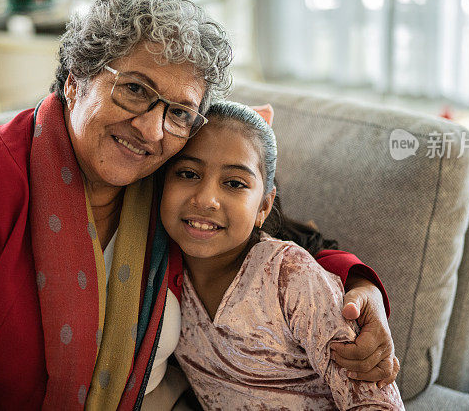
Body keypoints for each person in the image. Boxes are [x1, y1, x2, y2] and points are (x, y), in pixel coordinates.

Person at [0, 0, 398, 410]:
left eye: (178, 111)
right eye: (136, 89)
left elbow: (270, 238)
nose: (150, 128)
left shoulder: (166, 179)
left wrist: (358, 288)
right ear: (76, 79)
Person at [161, 101, 404, 410]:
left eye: (234, 183)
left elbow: (376, 401)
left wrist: (363, 285)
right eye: (187, 173)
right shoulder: (159, 272)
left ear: (264, 206)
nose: (207, 199)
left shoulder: (289, 274)